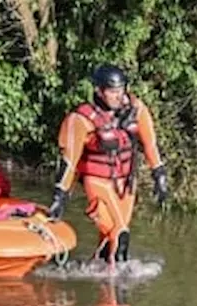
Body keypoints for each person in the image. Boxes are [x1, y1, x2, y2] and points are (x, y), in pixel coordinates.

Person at [46, 64, 169, 265]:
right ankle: (118, 286)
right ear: (99, 90)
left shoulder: (136, 110)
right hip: (98, 182)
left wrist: (160, 176)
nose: (118, 96)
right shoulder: (81, 119)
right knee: (119, 232)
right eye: (112, 92)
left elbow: (150, 144)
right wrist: (60, 196)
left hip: (126, 183)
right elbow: (69, 161)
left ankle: (106, 285)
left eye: (121, 90)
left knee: (110, 239)